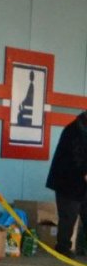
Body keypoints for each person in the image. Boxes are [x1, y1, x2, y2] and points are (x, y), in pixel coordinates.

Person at [46, 110, 87, 257]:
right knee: (68, 216)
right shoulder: (74, 131)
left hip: (80, 182)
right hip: (67, 181)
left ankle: (82, 248)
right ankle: (62, 247)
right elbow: (77, 156)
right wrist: (84, 171)